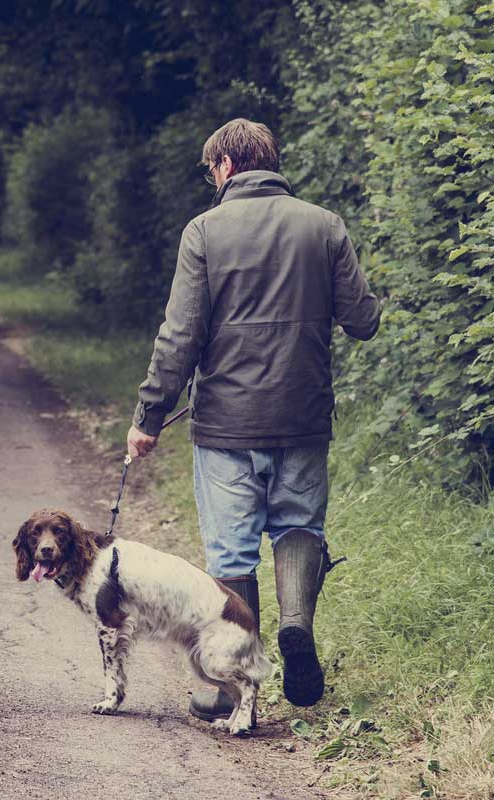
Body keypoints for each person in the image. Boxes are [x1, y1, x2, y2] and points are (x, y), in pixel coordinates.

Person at [125, 119, 380, 721]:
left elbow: (180, 335)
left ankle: (231, 687)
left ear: (225, 167)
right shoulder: (325, 226)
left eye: (210, 170)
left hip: (227, 425)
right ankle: (296, 626)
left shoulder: (205, 232)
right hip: (303, 416)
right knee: (298, 528)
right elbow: (363, 319)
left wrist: (149, 416)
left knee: (232, 555)